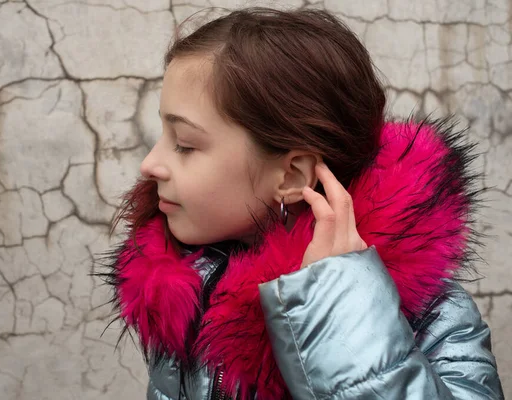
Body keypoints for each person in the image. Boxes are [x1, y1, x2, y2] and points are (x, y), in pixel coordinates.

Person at [99, 7, 504, 400]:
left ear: (292, 176)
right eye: (163, 135)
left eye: (185, 144)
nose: (149, 164)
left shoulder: (433, 317)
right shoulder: (186, 288)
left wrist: (338, 304)